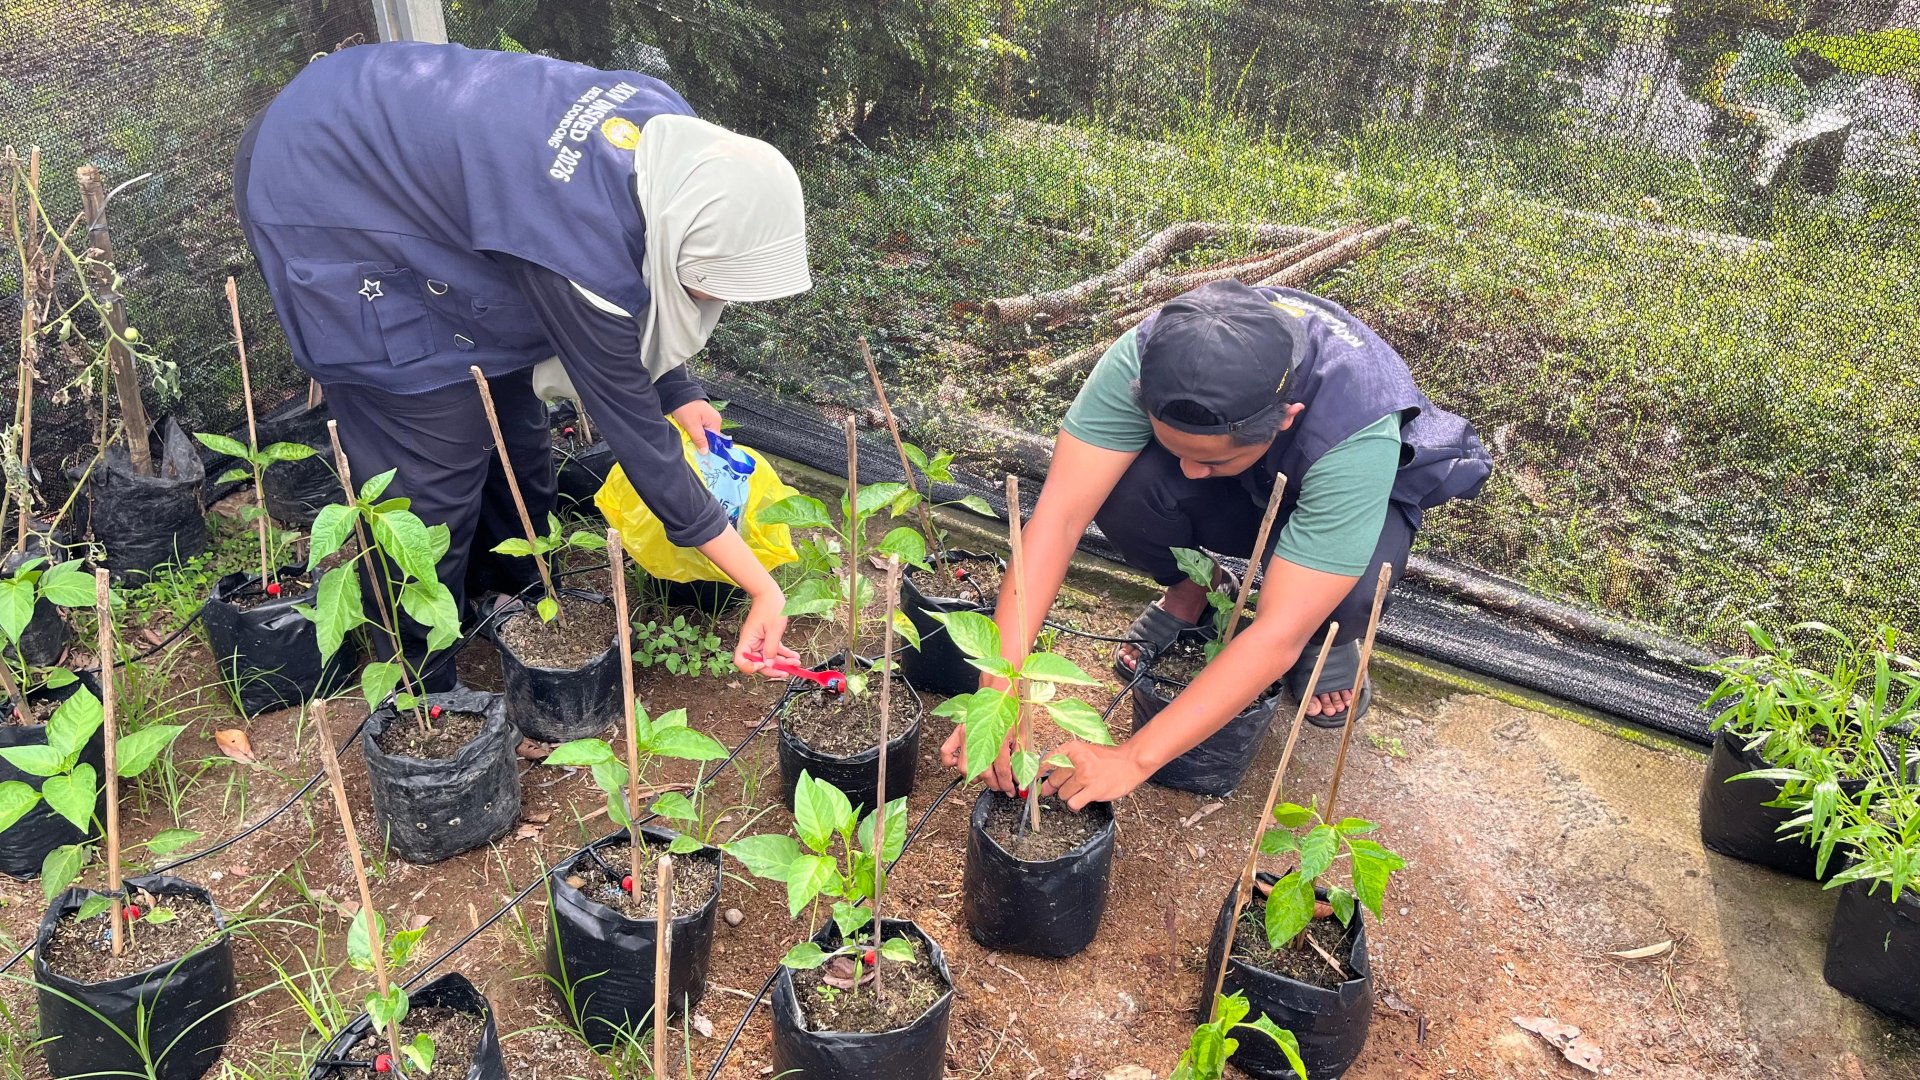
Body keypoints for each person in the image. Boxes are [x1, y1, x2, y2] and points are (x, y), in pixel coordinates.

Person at [232, 41, 807, 684]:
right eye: (710, 282)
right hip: (326, 180)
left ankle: (508, 600)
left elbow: (645, 267)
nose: (715, 299)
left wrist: (679, 388)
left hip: (441, 195)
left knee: (515, 437)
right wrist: (762, 588)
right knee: (430, 466)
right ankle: (420, 684)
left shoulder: (671, 140)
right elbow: (643, 445)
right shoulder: (576, 237)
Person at [942, 280, 1491, 807]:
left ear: (1286, 420)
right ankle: (1190, 593)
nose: (1187, 470)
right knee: (1127, 491)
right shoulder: (1143, 358)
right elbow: (1058, 519)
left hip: (1338, 487)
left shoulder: (1355, 430)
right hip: (1246, 487)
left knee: (1351, 589)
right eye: (1172, 445)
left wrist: (1133, 758)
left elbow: (1274, 632)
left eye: (1210, 458)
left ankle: (1330, 643)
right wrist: (997, 695)